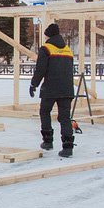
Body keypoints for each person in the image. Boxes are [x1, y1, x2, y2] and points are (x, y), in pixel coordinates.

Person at [30, 23, 75, 157]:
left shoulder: (46, 49)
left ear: (48, 35)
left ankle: (48, 141)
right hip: (67, 89)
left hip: (50, 88)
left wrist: (34, 84)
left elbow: (41, 69)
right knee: (65, 118)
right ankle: (68, 148)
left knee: (45, 112)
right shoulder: (67, 49)